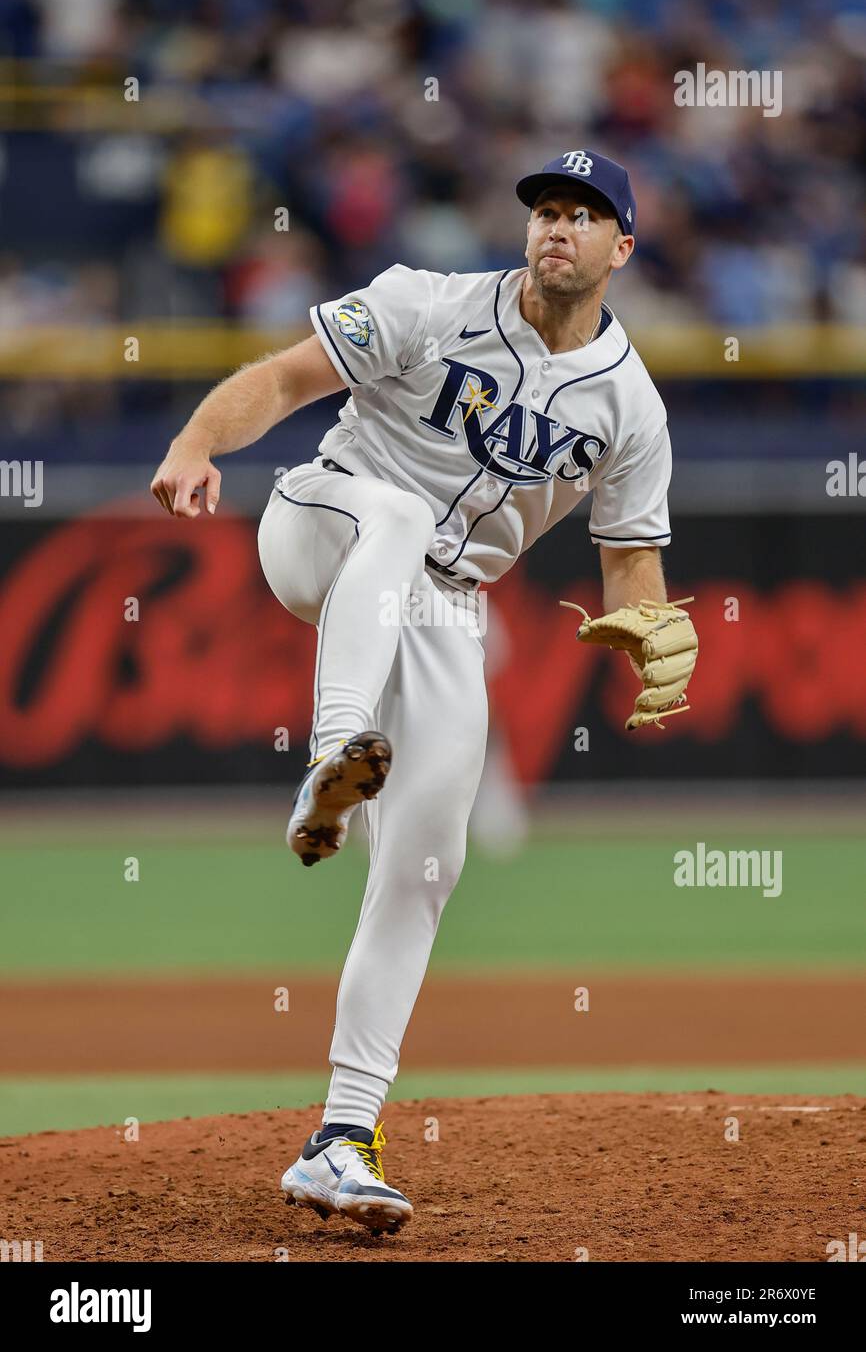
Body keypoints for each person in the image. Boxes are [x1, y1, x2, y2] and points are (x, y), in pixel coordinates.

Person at [151, 149, 678, 1236]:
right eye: (543, 208)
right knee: (390, 517)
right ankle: (334, 751)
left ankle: (341, 1137)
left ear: (620, 247)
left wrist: (655, 634)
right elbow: (289, 378)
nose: (556, 227)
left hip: (443, 607)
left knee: (430, 859)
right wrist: (199, 437)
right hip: (324, 520)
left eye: (583, 215)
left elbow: (630, 561)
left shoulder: (629, 405)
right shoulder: (423, 303)